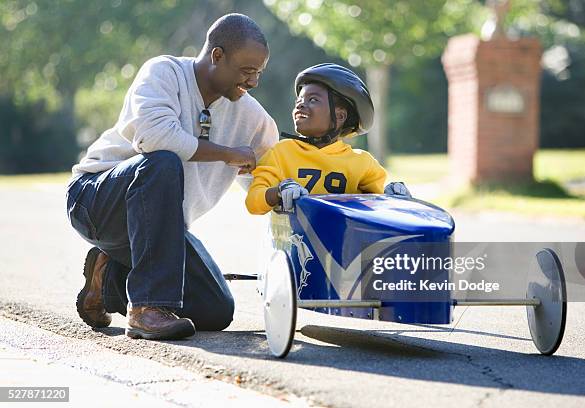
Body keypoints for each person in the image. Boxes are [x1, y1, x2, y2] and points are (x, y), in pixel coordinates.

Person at [66, 14, 278, 341]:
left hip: (159, 227)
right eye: (247, 71)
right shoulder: (164, 72)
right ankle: (146, 309)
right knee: (162, 162)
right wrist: (226, 152)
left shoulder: (252, 118)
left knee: (215, 309)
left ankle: (110, 278)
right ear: (217, 56)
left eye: (259, 73)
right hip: (95, 201)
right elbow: (153, 138)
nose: (253, 82)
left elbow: (271, 178)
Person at [245, 63, 409, 215]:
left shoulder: (362, 163)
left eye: (313, 100)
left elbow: (379, 208)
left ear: (340, 116)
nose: (300, 105)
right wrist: (279, 191)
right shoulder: (280, 153)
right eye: (299, 101)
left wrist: (393, 195)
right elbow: (253, 201)